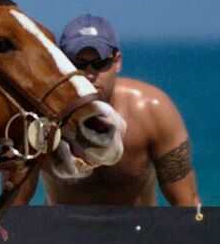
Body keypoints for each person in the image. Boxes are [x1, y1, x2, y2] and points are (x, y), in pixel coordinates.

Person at [28, 15, 198, 208]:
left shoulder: (153, 111)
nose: (90, 74)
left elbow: (187, 205)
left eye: (100, 64)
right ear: (62, 63)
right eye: (79, 64)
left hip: (136, 234)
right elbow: (12, 210)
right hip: (63, 234)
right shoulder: (40, 119)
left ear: (117, 61)